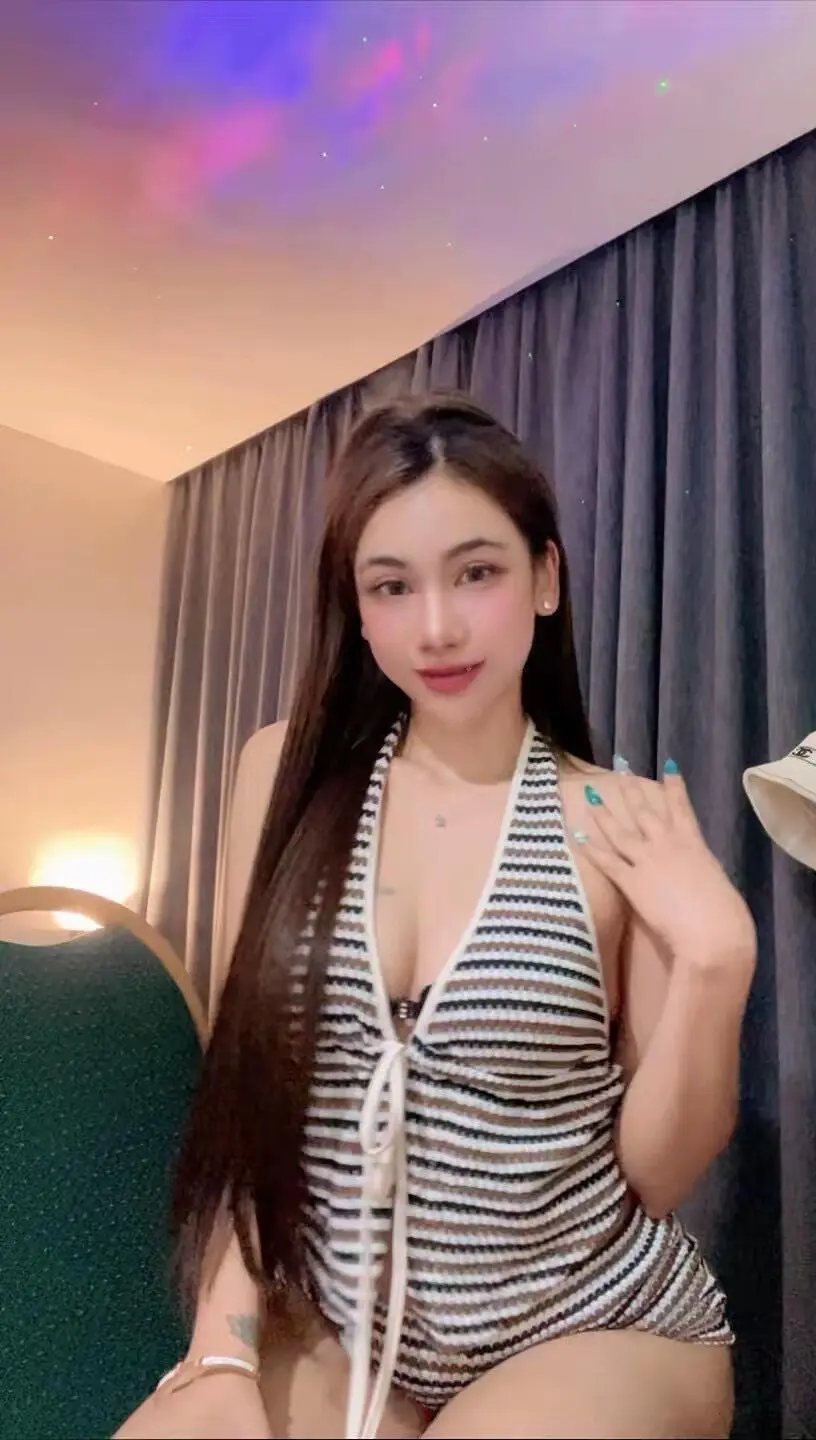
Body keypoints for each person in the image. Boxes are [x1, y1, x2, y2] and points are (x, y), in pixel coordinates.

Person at [115, 393, 756, 1440]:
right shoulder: (282, 778)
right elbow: (250, 1095)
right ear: (357, 609)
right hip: (351, 1327)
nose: (437, 628)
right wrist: (222, 1347)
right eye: (392, 586)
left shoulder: (616, 819)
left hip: (587, 1324)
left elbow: (655, 1173)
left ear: (545, 579)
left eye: (477, 572)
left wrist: (717, 968)